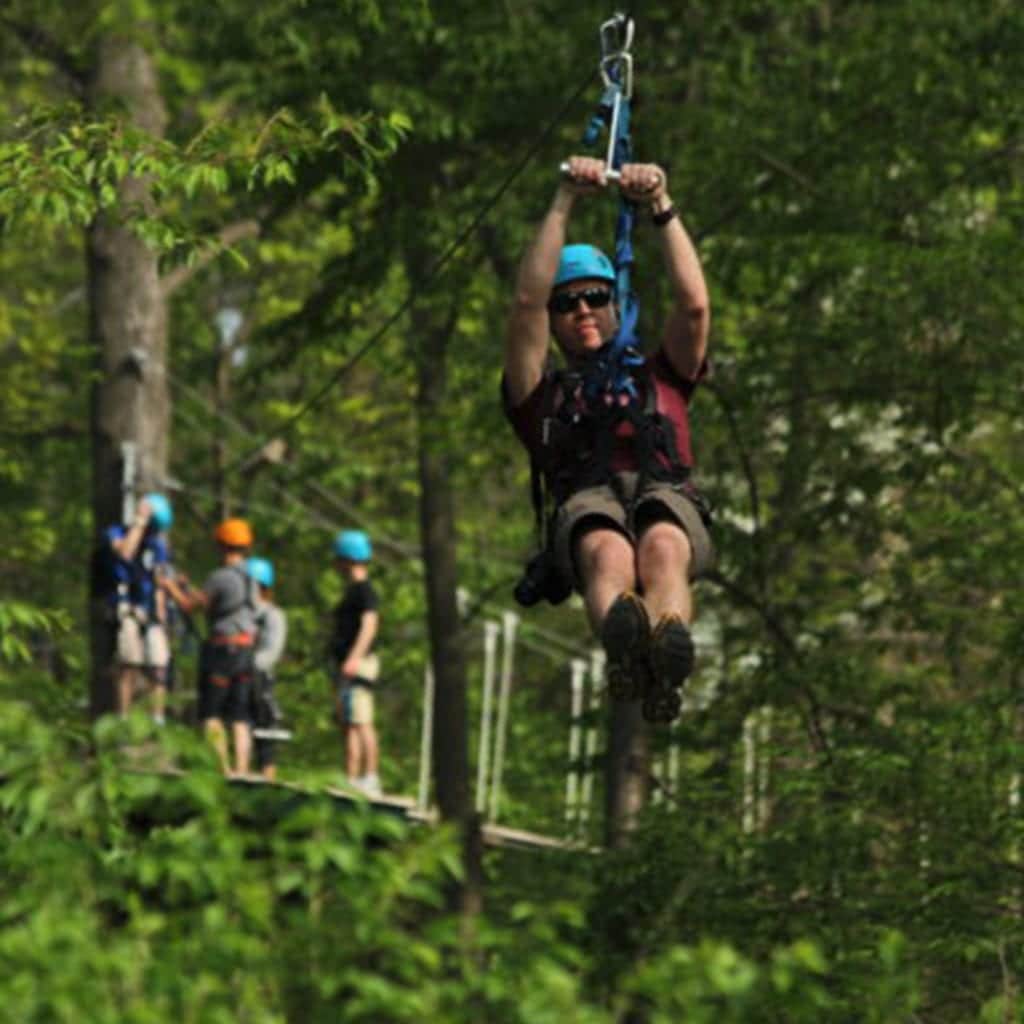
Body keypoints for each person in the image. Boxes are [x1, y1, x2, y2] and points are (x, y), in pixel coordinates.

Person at [502, 155, 714, 724]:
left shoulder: (662, 374)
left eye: (596, 297)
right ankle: (625, 646)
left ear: (617, 303)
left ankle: (665, 652)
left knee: (664, 546)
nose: (583, 311)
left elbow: (694, 307)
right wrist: (563, 201)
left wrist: (661, 208)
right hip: (588, 498)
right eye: (567, 304)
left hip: (662, 488)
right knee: (607, 551)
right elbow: (525, 306)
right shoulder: (540, 395)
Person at [163, 518, 258, 775]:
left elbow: (189, 606)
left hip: (222, 651)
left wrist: (170, 586)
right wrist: (187, 587)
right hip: (245, 650)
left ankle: (223, 769)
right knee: (240, 715)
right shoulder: (250, 579)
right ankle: (242, 769)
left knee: (211, 713)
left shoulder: (220, 577)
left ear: (221, 545)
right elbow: (213, 602)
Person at [100, 493, 174, 723]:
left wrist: (162, 618)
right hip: (126, 607)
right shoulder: (116, 532)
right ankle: (123, 717)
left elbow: (159, 580)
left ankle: (157, 719)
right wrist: (140, 522)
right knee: (128, 663)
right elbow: (125, 552)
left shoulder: (157, 545)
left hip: (150, 610)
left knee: (159, 665)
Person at [328, 530, 382, 796]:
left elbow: (369, 625)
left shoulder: (364, 591)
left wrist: (354, 657)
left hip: (358, 662)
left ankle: (370, 777)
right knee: (350, 722)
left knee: (362, 721)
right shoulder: (354, 591)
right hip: (349, 663)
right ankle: (351, 777)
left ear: (347, 558)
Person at [246, 556, 288, 781]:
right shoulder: (242, 613)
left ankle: (267, 778)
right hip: (238, 675)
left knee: (264, 731)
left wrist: (248, 664)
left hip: (259, 678)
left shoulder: (272, 616)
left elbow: (273, 651)